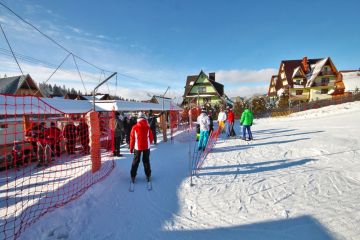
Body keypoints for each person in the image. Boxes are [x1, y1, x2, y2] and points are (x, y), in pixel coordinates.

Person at [129, 112, 154, 183]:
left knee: (136, 161)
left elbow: (132, 139)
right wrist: (149, 142)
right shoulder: (148, 127)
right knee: (146, 161)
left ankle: (133, 176)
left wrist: (131, 148)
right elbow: (151, 138)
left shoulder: (134, 127)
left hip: (137, 147)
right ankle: (148, 175)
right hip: (146, 146)